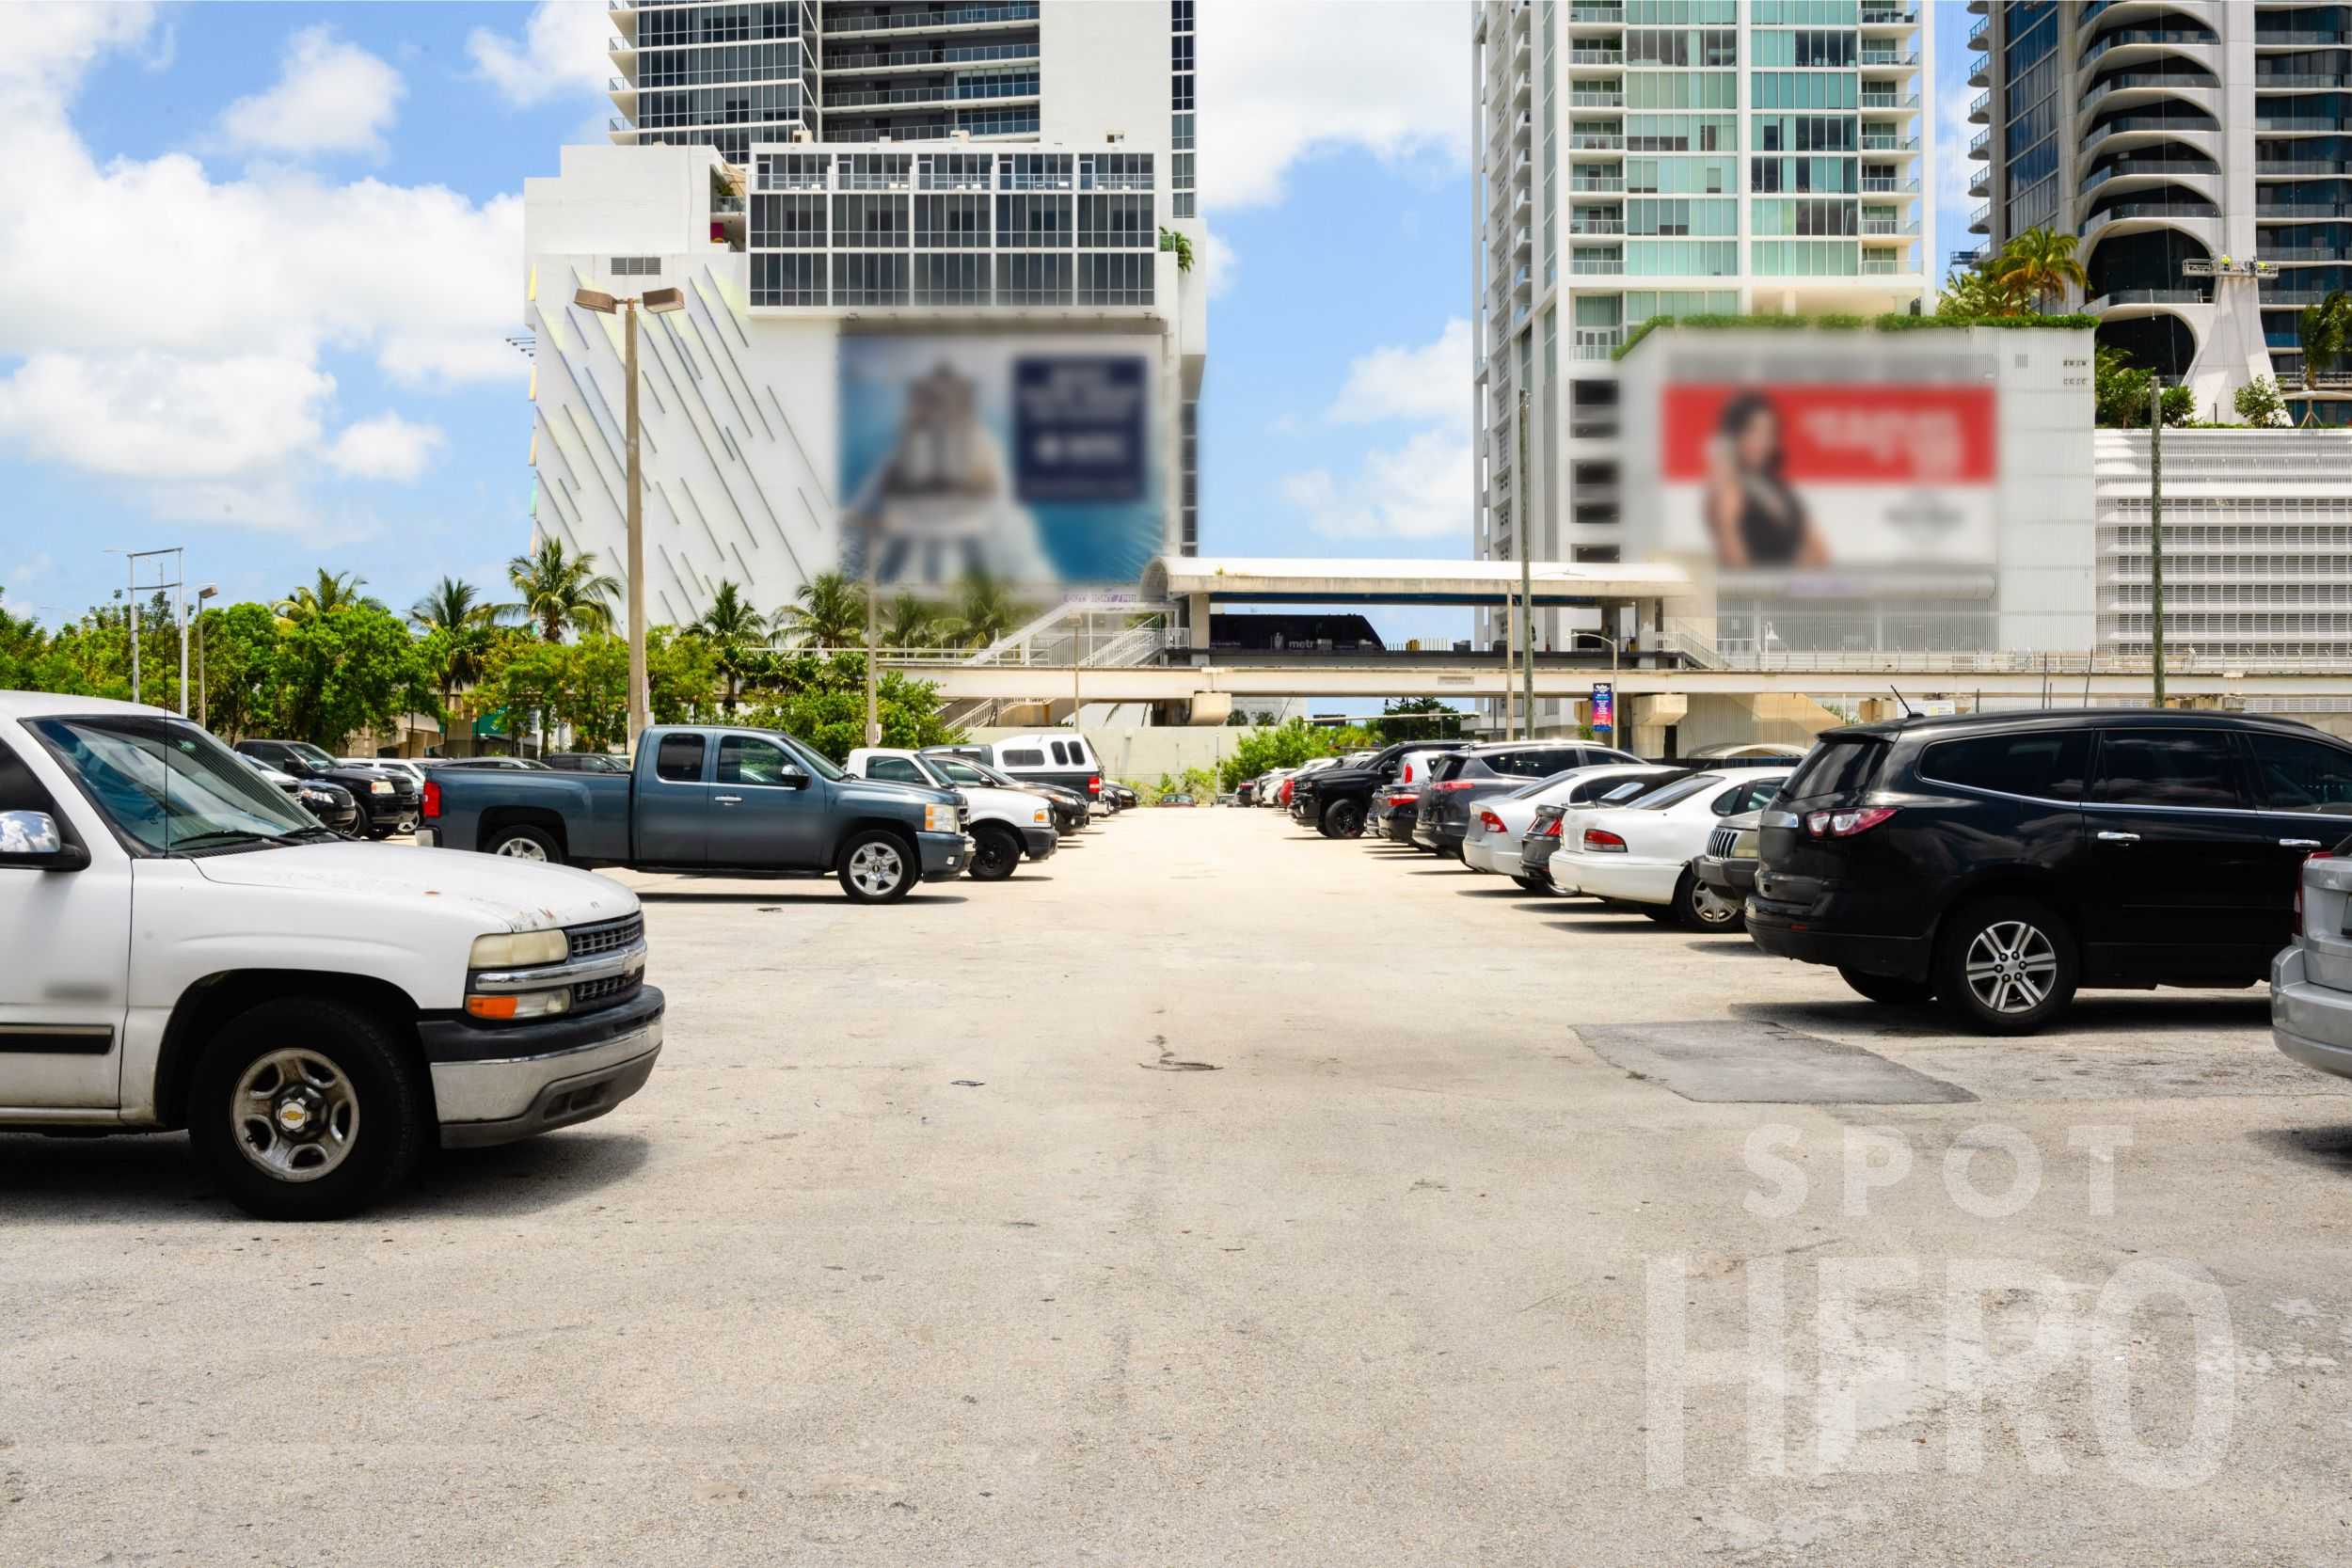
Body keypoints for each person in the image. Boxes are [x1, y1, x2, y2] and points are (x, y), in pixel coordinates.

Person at [1703, 391, 1829, 570]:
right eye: (1754, 432)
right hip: (1756, 592)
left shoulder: (1779, 489)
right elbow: (1733, 556)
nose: (1763, 442)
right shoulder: (1730, 490)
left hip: (1791, 587)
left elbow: (1818, 548)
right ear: (1735, 436)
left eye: (1768, 433)